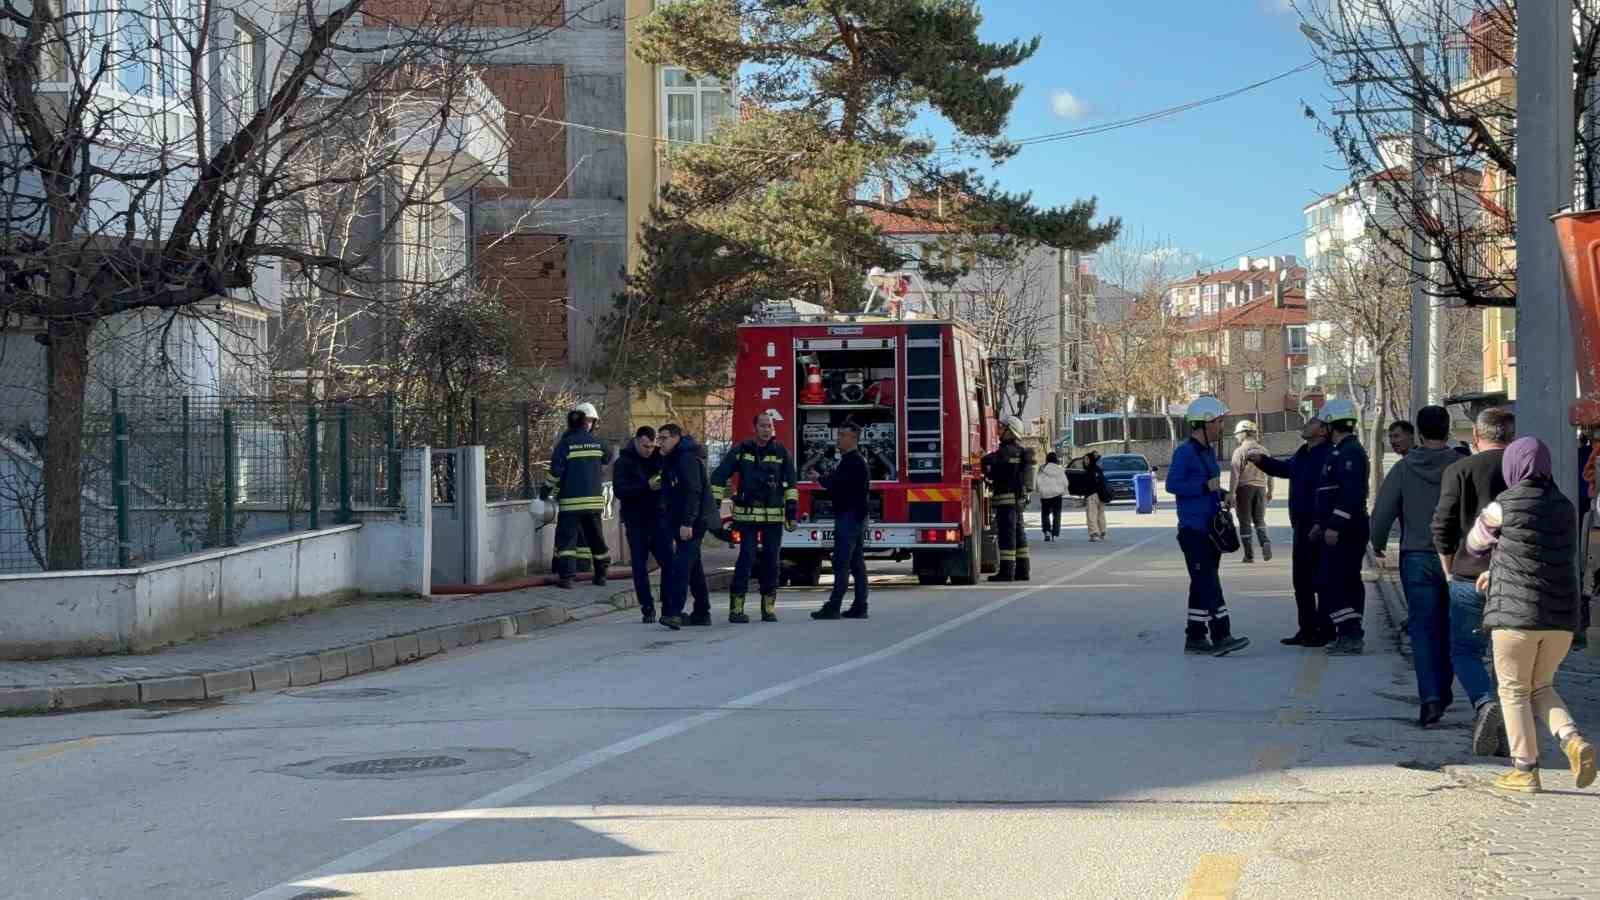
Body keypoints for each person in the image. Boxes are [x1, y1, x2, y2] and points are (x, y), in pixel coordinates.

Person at [1463, 436, 1596, 793]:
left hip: (1515, 619)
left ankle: (1525, 769)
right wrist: (1500, 568)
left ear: (1513, 466)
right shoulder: (1565, 507)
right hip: (1560, 619)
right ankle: (1572, 741)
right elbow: (1537, 556)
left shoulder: (1502, 506)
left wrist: (1491, 565)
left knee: (1513, 690)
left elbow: (1474, 544)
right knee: (1542, 686)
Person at [1432, 406, 1515, 755]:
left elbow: (1443, 526)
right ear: (1511, 437)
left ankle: (1483, 702)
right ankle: (1511, 730)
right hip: (1514, 578)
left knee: (1466, 650)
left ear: (1476, 437)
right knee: (1508, 656)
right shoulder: (1523, 471)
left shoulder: (1459, 470)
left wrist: (1449, 568)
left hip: (1468, 574)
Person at [1370, 405, 1460, 726]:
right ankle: (1444, 687)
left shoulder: (1405, 468)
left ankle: (1430, 697)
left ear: (1419, 433)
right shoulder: (1461, 466)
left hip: (1417, 558)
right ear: (1448, 431)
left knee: (1423, 628)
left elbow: (1382, 513)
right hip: (1458, 559)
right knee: (1452, 626)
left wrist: (1377, 542)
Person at [1165, 396, 1250, 657]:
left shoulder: (1207, 453)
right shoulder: (1185, 452)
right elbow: (1172, 485)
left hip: (1211, 529)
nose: (1221, 427)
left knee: (1201, 583)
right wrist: (1203, 487)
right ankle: (1221, 634)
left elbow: (1209, 485)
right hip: (1193, 530)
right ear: (1203, 423)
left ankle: (1196, 638)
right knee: (1209, 582)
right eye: (1218, 422)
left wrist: (1223, 494)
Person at [1251, 417, 1333, 646]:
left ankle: (1324, 630)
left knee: (1321, 580)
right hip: (1301, 523)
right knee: (1302, 580)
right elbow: (1286, 469)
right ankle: (1306, 629)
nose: (1305, 425)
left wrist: (1322, 522)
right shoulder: (1303, 452)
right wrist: (1262, 461)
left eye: (1312, 423)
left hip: (1318, 524)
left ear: (1323, 430)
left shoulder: (1328, 454)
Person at [711, 412, 798, 624]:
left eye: (769, 425)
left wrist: (791, 513)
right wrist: (712, 508)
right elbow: (719, 476)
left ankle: (768, 608)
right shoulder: (741, 451)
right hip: (747, 517)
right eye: (762, 425)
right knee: (746, 559)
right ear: (754, 428)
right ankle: (736, 609)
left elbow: (791, 485)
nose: (766, 429)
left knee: (771, 562)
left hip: (773, 519)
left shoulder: (781, 453)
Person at [1310, 398, 1370, 656]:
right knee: (1342, 579)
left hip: (1346, 530)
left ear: (1332, 425)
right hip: (1337, 528)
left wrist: (1334, 525)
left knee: (1334, 581)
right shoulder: (1340, 450)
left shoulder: (1350, 453)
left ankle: (1350, 632)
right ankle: (1349, 631)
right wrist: (1320, 525)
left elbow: (1349, 494)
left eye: (1324, 424)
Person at [543, 407, 613, 590]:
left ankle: (567, 578)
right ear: (585, 424)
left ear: (569, 425)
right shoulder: (597, 443)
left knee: (567, 540)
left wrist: (544, 492)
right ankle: (601, 574)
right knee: (596, 538)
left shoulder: (565, 445)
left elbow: (555, 473)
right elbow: (608, 457)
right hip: (594, 502)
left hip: (571, 503)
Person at [809, 421, 871, 620]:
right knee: (856, 563)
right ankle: (860, 606)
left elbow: (836, 484)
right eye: (839, 434)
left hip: (849, 518)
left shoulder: (853, 461)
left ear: (853, 438)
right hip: (855, 517)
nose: (839, 438)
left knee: (842, 562)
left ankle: (834, 606)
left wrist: (819, 478)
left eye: (843, 435)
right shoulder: (854, 460)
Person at [656, 423, 711, 630]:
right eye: (659, 438)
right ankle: (702, 612)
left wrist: (688, 522)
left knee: (680, 566)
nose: (660, 442)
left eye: (665, 438)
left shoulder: (686, 458)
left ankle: (674, 612)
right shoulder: (671, 458)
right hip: (680, 521)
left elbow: (693, 492)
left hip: (692, 523)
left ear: (677, 437)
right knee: (694, 568)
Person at [612, 425, 669, 624]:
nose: (649, 450)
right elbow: (620, 490)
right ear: (636, 441)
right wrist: (646, 486)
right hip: (635, 520)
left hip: (659, 518)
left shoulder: (659, 458)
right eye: (645, 446)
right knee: (639, 565)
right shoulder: (624, 462)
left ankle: (668, 605)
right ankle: (647, 607)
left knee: (668, 561)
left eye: (652, 446)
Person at [982, 416, 1036, 581]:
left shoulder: (1006, 452)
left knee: (1007, 535)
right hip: (1017, 500)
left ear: (1009, 431)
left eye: (1001, 427)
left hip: (1006, 501)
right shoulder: (1019, 451)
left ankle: (1006, 572)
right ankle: (1023, 570)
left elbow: (993, 467)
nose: (998, 430)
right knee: (1019, 535)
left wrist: (984, 459)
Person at [1229, 420, 1272, 563]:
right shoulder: (1264, 450)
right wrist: (1270, 490)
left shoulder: (1239, 451)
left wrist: (1231, 494)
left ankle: (1249, 555)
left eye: (1237, 434)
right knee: (1259, 520)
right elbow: (1270, 472)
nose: (1236, 437)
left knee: (1245, 522)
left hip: (1244, 489)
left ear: (1243, 433)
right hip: (1261, 488)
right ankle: (1265, 541)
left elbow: (1235, 474)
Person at [1036, 452, 1067, 541]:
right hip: (1057, 496)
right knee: (1056, 514)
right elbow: (1065, 482)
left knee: (1045, 514)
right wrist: (1063, 490)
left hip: (1045, 495)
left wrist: (1040, 490)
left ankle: (1047, 532)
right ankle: (1055, 533)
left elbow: (1038, 481)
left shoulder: (1042, 469)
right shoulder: (1059, 469)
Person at [1080, 451, 1110, 542]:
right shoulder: (1098, 469)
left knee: (1092, 515)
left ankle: (1094, 534)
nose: (1085, 461)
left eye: (1086, 459)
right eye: (1084, 459)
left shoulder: (1090, 470)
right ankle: (1103, 533)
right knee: (1101, 514)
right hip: (1102, 495)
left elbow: (1087, 484)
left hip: (1092, 495)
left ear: (1091, 460)